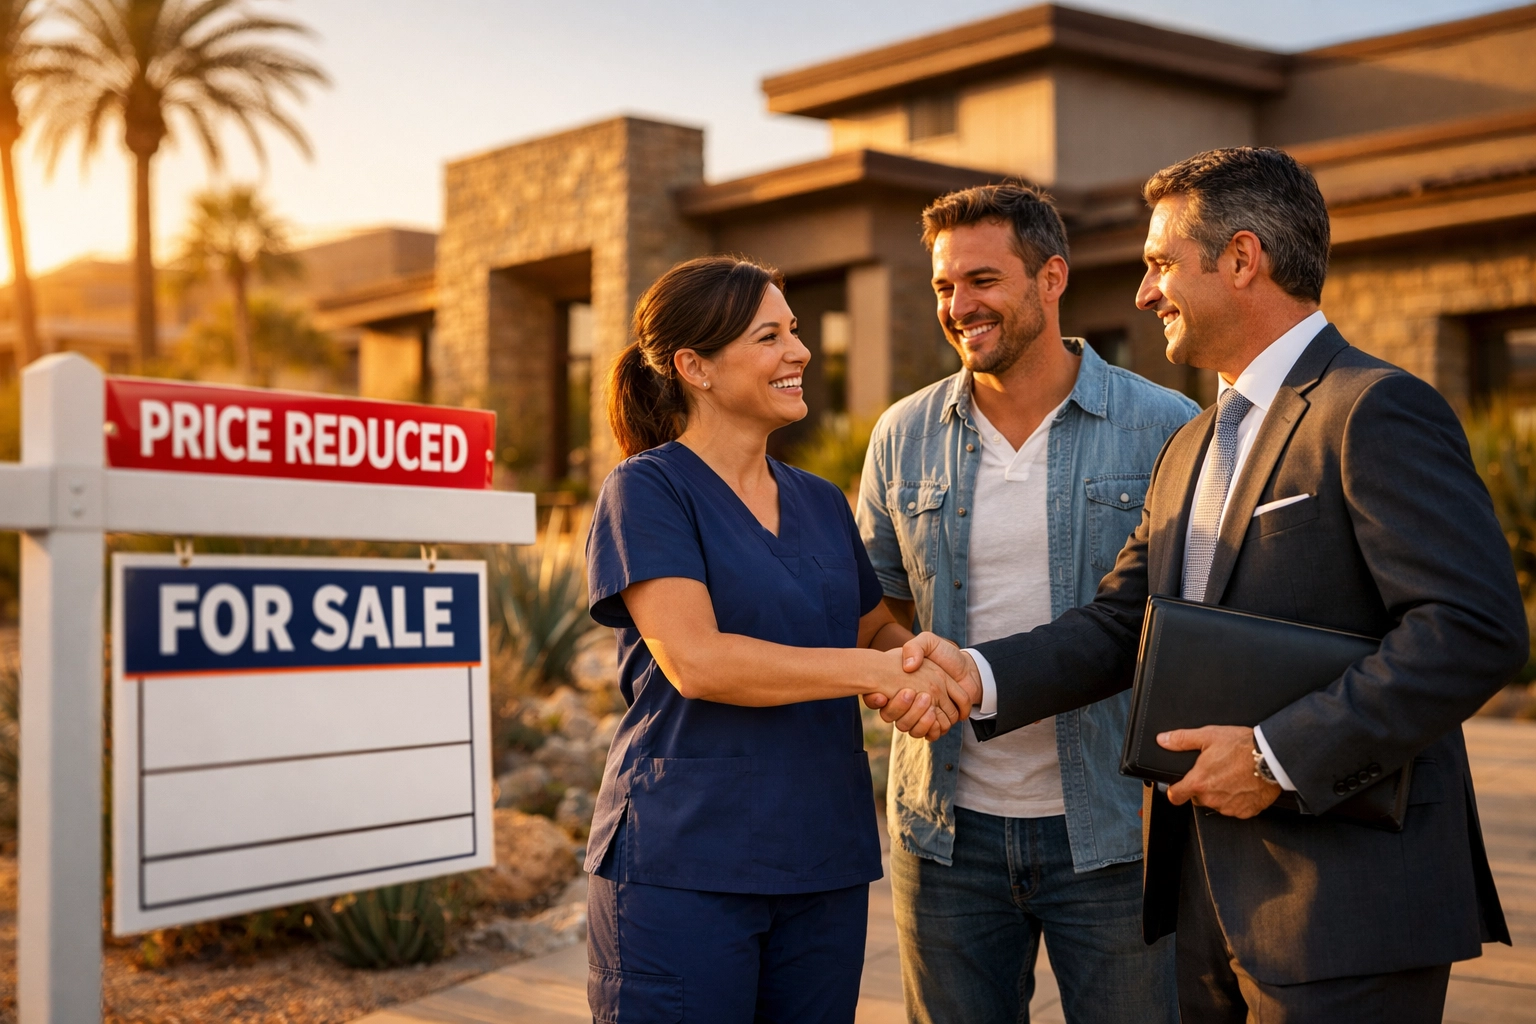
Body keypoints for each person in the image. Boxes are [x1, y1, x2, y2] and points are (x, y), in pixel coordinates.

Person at [886, 147, 1525, 1022]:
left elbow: (1471, 629)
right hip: (1206, 909)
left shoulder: (1373, 407)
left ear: (1241, 259)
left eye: (1159, 265)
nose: (1146, 293)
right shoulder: (1193, 443)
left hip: (1348, 911)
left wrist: (1273, 757)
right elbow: (1123, 624)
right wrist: (978, 677)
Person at [583, 255, 967, 1024]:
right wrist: (879, 668)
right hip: (685, 864)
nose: (799, 352)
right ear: (694, 366)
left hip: (820, 861)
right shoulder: (648, 489)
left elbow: (872, 627)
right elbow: (698, 661)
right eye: (770, 336)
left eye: (794, 331)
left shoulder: (821, 502)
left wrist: (921, 660)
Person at [855, 182, 1193, 1024]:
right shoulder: (903, 433)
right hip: (944, 834)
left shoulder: (1166, 426)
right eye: (943, 287)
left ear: (1052, 278)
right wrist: (910, 673)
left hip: (1117, 836)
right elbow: (876, 607)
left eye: (982, 281)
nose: (959, 306)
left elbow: (1188, 623)